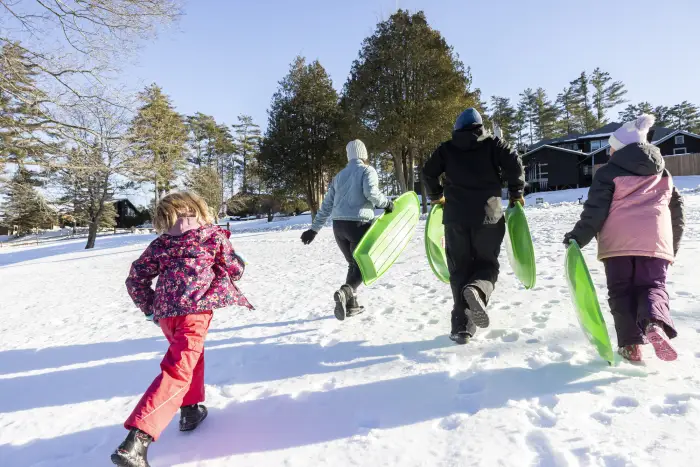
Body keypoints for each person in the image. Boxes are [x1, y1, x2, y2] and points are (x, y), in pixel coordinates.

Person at [111, 192, 253, 467]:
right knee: (178, 370)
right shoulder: (211, 236)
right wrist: (237, 258)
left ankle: (190, 409)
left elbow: (135, 278)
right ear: (199, 209)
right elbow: (234, 270)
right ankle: (138, 438)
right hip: (194, 312)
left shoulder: (161, 244)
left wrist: (150, 307)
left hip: (167, 315)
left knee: (189, 358)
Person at [563, 114, 685, 363]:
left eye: (611, 147)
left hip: (617, 245)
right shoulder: (663, 173)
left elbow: (595, 210)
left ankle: (630, 345)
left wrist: (577, 237)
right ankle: (654, 322)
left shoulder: (608, 172)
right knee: (653, 287)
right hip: (654, 244)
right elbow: (677, 210)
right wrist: (671, 246)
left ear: (619, 149)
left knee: (620, 292)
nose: (609, 151)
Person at [423, 108, 524, 345]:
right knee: (486, 265)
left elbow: (428, 172)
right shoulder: (493, 144)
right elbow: (514, 162)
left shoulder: (447, 149)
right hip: (489, 216)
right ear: (480, 127)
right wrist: (516, 192)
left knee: (459, 270)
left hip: (455, 218)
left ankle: (461, 328)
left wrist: (437, 196)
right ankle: (478, 291)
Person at [300, 140, 393, 321]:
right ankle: (345, 293)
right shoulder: (367, 170)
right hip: (359, 224)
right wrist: (387, 204)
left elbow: (326, 205)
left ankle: (351, 305)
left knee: (353, 264)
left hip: (338, 227)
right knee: (361, 267)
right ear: (364, 154)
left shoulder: (339, 176)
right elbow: (372, 193)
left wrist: (314, 229)